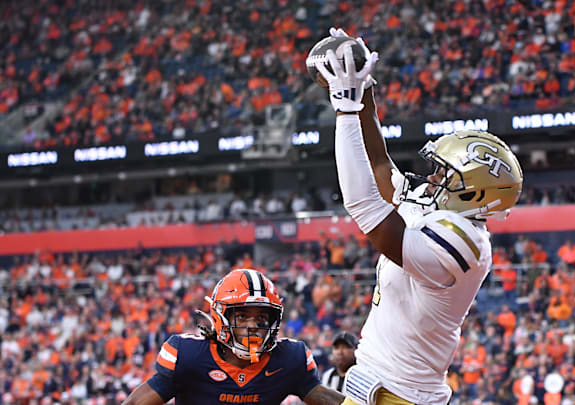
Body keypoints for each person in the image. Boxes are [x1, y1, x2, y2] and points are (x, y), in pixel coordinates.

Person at [315, 28, 523, 405]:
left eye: (446, 174)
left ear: (473, 193)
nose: (433, 177)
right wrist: (364, 94)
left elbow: (365, 207)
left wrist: (344, 108)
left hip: (403, 396)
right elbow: (380, 165)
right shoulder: (439, 206)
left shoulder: (466, 243)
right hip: (372, 381)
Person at [122, 268, 345, 405]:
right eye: (242, 316)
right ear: (220, 316)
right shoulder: (187, 356)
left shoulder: (290, 359)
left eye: (261, 317)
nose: (253, 325)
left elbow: (331, 401)